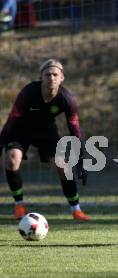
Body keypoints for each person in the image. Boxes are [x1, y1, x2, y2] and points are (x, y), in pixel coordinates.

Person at [0, 59, 90, 221]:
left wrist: (81, 157)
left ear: (62, 77)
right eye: (47, 74)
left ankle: (76, 210)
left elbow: (74, 127)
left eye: (55, 74)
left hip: (46, 131)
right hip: (21, 129)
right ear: (41, 77)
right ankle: (19, 206)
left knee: (63, 166)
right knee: (12, 160)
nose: (52, 77)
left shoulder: (66, 98)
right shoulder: (28, 93)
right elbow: (12, 119)